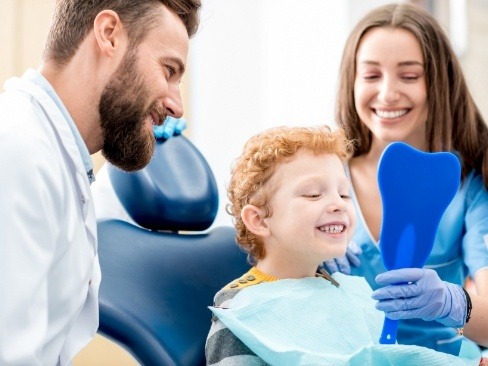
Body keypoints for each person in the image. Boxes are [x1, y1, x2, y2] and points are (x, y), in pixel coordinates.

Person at [0, 0, 200, 364]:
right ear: (109, 35)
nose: (177, 105)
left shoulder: (55, 156)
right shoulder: (18, 152)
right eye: (168, 70)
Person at [205, 125, 484, 365]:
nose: (338, 204)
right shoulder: (241, 311)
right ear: (259, 220)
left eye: (344, 193)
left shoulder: (347, 293)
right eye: (314, 194)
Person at [323, 2, 488, 355]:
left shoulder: (471, 184)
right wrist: (302, 257)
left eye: (409, 76)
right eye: (370, 75)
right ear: (351, 82)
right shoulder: (323, 173)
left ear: (438, 82)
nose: (387, 94)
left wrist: (451, 302)